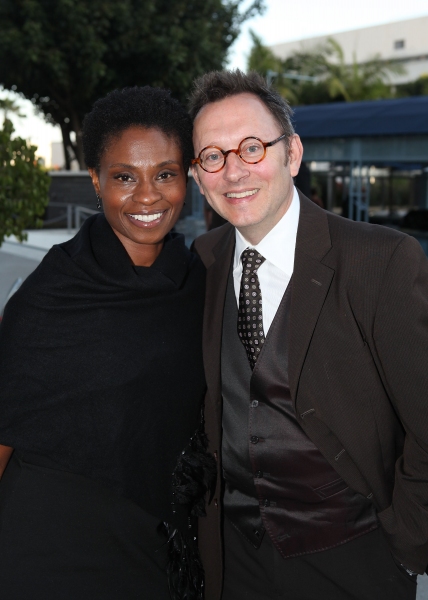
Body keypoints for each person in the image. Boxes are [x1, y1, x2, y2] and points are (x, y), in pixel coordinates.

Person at [189, 70, 428, 600]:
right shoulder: (202, 263)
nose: (233, 171)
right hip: (234, 561)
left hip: (354, 560)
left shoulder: (380, 260)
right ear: (198, 175)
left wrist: (407, 537)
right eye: (213, 155)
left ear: (292, 154)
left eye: (252, 147)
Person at [0, 86, 215, 600]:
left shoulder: (198, 278)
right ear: (96, 180)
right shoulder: (50, 296)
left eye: (164, 174)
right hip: (50, 544)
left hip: (156, 542)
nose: (147, 196)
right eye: (124, 177)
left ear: (185, 175)